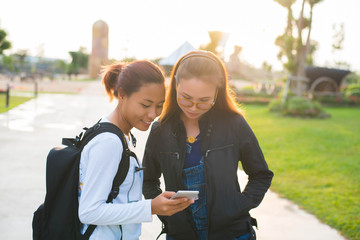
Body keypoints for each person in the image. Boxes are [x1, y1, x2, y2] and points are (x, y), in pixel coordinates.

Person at [142, 51, 274, 240]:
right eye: (186, 98)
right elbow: (147, 180)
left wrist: (239, 205)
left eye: (204, 101)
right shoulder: (160, 130)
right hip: (180, 234)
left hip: (232, 234)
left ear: (217, 94)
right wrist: (164, 211)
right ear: (175, 86)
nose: (193, 108)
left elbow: (261, 175)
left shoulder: (234, 124)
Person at [78, 60, 194, 240]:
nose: (153, 114)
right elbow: (90, 211)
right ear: (122, 94)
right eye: (145, 105)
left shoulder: (120, 135)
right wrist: (150, 207)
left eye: (159, 105)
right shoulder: (109, 142)